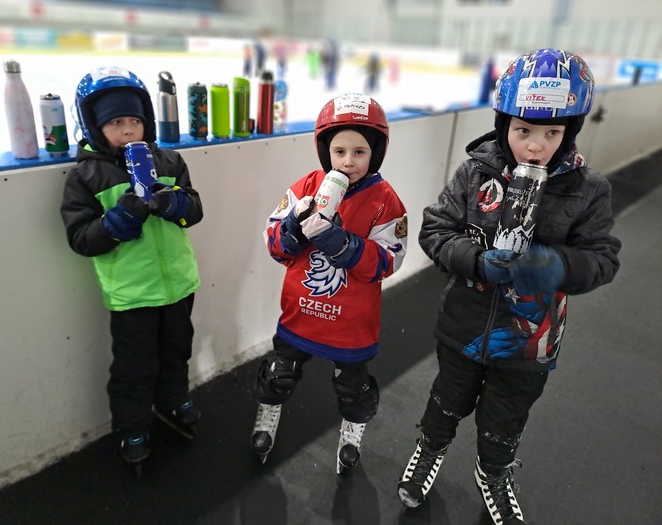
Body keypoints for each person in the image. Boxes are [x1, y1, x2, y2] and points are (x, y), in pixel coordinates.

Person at [396, 48, 621, 524]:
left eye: (552, 133)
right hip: (463, 326)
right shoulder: (476, 171)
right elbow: (436, 230)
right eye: (523, 131)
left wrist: (555, 264)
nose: (536, 147)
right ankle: (431, 448)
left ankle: (493, 473)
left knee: (505, 417)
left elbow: (603, 259)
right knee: (446, 399)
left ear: (570, 131)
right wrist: (477, 261)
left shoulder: (588, 189)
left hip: (530, 342)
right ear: (503, 124)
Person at [251, 93, 408, 474]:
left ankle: (353, 430)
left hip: (351, 323)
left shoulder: (385, 200)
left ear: (376, 153)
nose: (348, 162)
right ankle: (268, 412)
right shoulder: (307, 185)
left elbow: (389, 260)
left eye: (359, 152)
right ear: (326, 151)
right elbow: (273, 243)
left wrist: (346, 245)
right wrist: (292, 229)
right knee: (280, 373)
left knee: (353, 387)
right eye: (339, 151)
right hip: (301, 312)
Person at [60, 67, 204, 477]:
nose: (128, 130)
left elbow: (194, 210)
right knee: (134, 367)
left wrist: (174, 204)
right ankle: (133, 426)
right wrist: (117, 221)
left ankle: (173, 400)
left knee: (176, 350)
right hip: (132, 294)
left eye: (135, 120)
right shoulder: (86, 176)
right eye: (115, 122)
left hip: (178, 284)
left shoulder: (169, 161)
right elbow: (81, 239)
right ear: (94, 126)